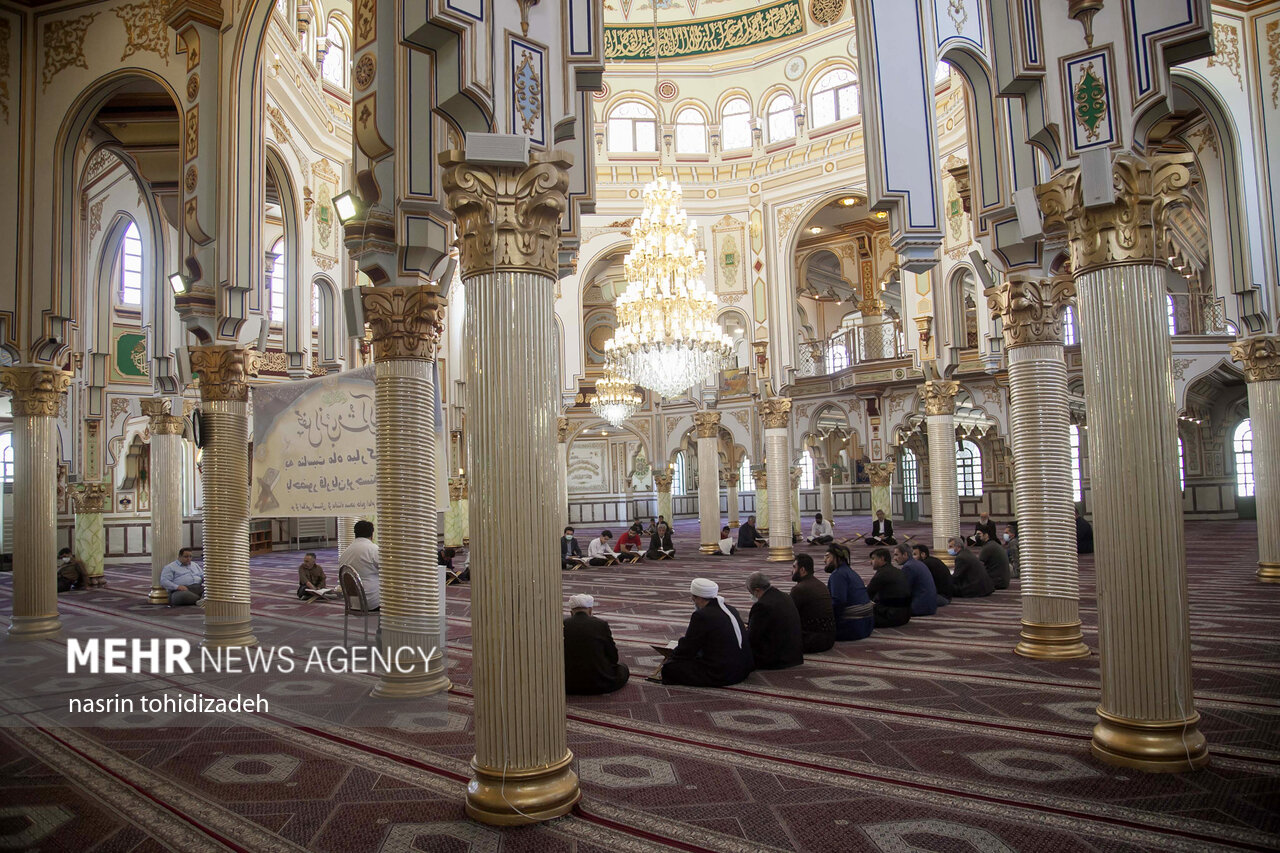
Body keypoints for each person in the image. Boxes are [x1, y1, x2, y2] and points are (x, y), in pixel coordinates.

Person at [661, 578, 753, 687]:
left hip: (723, 673)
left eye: (693, 598)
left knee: (669, 668)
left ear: (699, 598)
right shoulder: (730, 609)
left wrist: (672, 656)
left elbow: (689, 647)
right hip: (744, 668)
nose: (693, 601)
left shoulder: (702, 615)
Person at [563, 593, 630, 695]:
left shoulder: (563, 624)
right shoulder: (600, 624)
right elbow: (613, 657)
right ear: (590, 610)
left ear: (571, 612)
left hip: (568, 684)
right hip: (599, 683)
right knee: (623, 668)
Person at [746, 572, 804, 669]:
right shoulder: (785, 596)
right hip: (794, 654)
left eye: (751, 593)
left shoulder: (762, 605)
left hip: (776, 659)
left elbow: (752, 637)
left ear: (757, 590)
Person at [825, 544, 874, 641]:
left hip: (852, 627)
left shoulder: (838, 574)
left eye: (828, 556)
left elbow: (838, 602)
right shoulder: (850, 572)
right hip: (867, 625)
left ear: (836, 558)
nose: (824, 560)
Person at [789, 554, 836, 653]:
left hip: (812, 640)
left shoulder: (799, 589)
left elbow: (788, 615)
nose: (791, 571)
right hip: (829, 639)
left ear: (802, 570)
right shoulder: (820, 584)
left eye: (794, 567)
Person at [338, 520, 381, 610]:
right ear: (372, 534)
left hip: (352, 602)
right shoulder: (373, 550)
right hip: (372, 601)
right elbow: (388, 571)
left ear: (355, 534)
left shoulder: (345, 553)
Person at [866, 547, 912, 628]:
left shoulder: (882, 574)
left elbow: (866, 594)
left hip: (892, 616)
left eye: (873, 559)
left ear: (882, 559)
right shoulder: (897, 571)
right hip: (906, 615)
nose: (870, 562)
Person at [895, 544, 943, 615]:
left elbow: (904, 590)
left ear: (905, 554)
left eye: (896, 555)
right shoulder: (918, 563)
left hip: (919, 607)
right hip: (931, 606)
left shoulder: (908, 567)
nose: (894, 558)